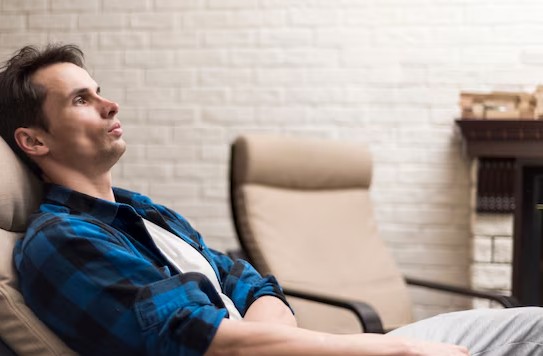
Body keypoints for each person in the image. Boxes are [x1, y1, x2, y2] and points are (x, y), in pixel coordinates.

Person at [0, 44, 540, 356]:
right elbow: (206, 340)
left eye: (99, 89)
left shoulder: (143, 213)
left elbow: (249, 282)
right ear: (34, 141)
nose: (110, 102)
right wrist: (393, 349)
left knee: (533, 325)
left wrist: (276, 341)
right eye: (81, 98)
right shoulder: (61, 242)